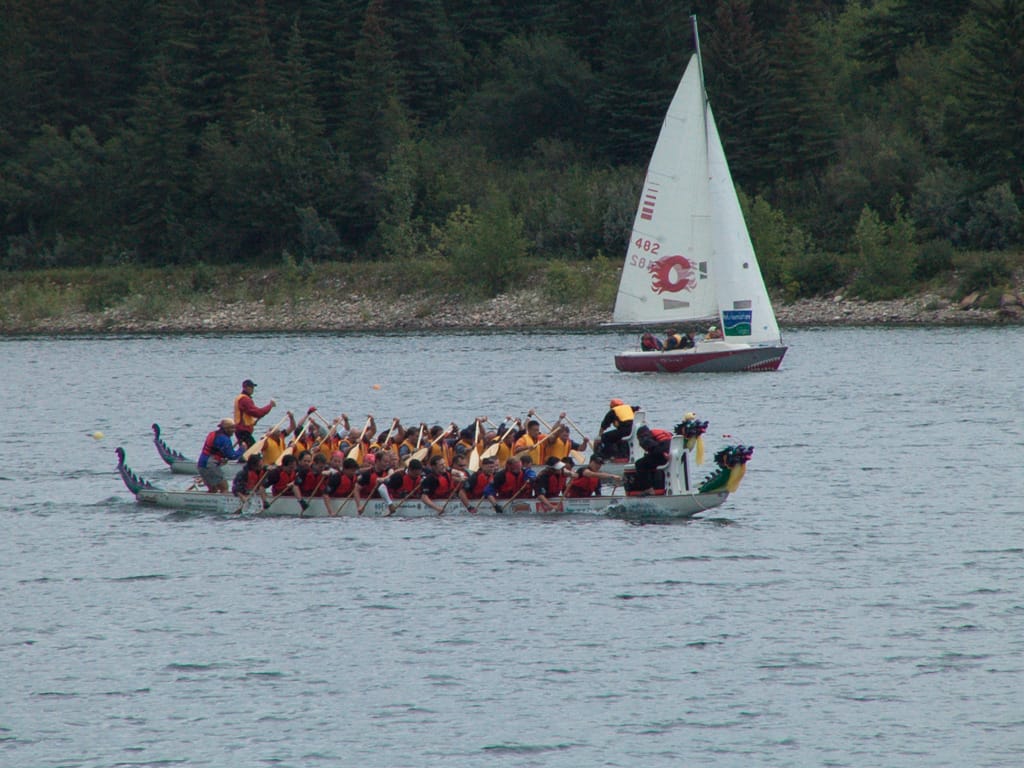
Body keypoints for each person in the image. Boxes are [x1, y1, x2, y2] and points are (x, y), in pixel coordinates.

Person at [197, 418, 245, 493]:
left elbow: (214, 451)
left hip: (201, 463)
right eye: (232, 428)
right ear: (226, 428)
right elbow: (232, 456)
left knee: (213, 489)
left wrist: (221, 459)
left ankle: (209, 502)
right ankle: (225, 503)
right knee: (224, 487)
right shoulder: (225, 439)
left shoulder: (212, 434)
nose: (234, 430)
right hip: (210, 465)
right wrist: (242, 449)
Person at [233, 379, 276, 448]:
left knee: (246, 450)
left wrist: (251, 422)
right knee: (252, 451)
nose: (253, 389)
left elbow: (246, 414)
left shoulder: (240, 398)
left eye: (253, 387)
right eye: (251, 387)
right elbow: (258, 413)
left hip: (240, 430)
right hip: (243, 431)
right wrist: (270, 406)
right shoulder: (244, 399)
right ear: (246, 388)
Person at [631, 424, 674, 493]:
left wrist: (662, 453)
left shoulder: (645, 437)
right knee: (648, 460)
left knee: (639, 464)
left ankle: (648, 489)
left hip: (664, 457)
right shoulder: (661, 432)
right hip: (674, 456)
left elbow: (655, 447)